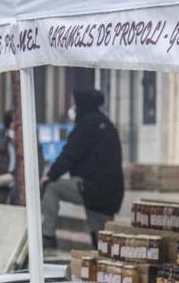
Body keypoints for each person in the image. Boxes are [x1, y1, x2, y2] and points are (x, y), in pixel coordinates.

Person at [41, 88, 124, 248]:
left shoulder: (87, 125)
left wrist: (50, 175)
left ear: (82, 105)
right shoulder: (105, 124)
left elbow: (69, 154)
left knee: (51, 188)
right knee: (102, 238)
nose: (72, 108)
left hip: (91, 188)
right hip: (110, 191)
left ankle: (47, 236)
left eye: (74, 104)